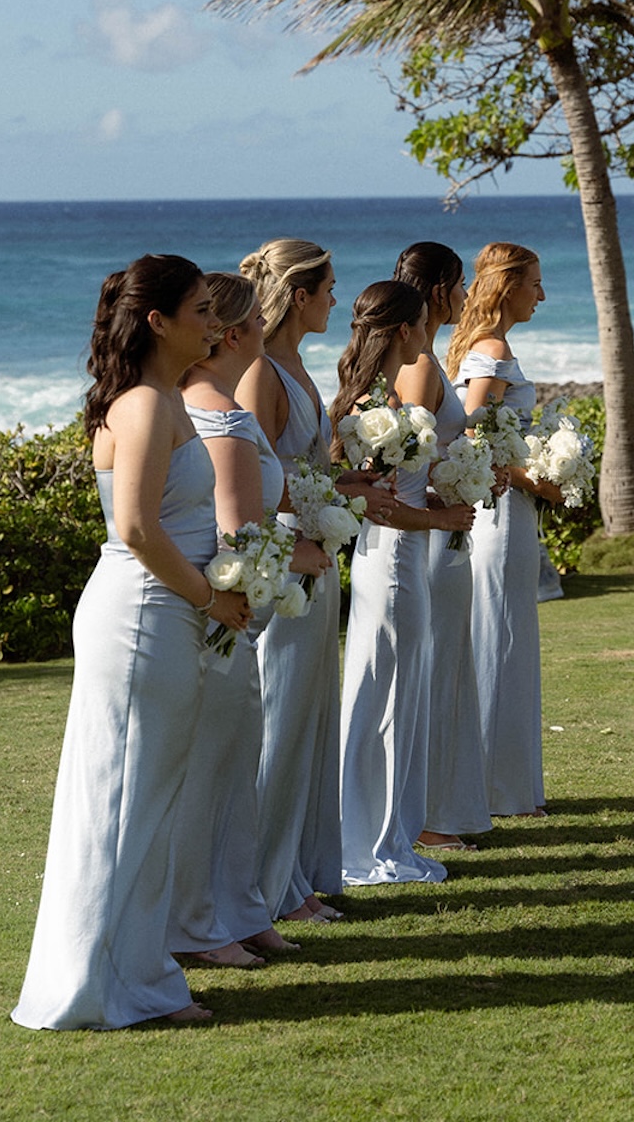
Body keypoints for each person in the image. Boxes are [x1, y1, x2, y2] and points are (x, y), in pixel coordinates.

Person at [12, 254, 250, 1030]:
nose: (217, 325)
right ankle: (107, 987)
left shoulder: (161, 400)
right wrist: (212, 596)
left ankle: (136, 975)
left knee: (144, 800)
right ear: (158, 322)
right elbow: (138, 529)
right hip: (145, 615)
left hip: (161, 610)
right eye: (204, 312)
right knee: (124, 802)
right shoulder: (145, 406)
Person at [168, 273, 328, 968]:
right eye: (257, 324)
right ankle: (208, 922)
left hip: (230, 611)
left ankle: (241, 909)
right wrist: (302, 558)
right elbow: (240, 535)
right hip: (225, 613)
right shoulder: (222, 420)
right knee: (220, 768)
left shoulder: (204, 408)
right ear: (234, 337)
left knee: (234, 767)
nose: (266, 332)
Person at [237, 239, 395, 923]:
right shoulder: (261, 373)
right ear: (299, 295)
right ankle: (265, 886)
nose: (337, 298)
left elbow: (298, 470)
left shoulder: (294, 365)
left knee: (308, 724)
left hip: (317, 555)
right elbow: (254, 482)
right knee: (281, 723)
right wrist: (315, 512)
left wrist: (342, 484)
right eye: (329, 287)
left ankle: (296, 877)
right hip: (289, 567)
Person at [335, 280, 473, 885]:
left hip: (401, 555)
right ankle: (373, 847)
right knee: (385, 701)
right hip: (392, 558)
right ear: (403, 332)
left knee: (400, 697)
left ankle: (388, 835)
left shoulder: (376, 401)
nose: (427, 333)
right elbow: (382, 504)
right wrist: (443, 517)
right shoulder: (385, 410)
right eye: (421, 324)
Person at [446, 242, 560, 819]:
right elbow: (468, 433)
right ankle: (496, 790)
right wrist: (534, 478)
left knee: (508, 637)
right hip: (501, 511)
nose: (542, 294)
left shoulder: (490, 344)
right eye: (534, 283)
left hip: (509, 507)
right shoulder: (490, 349)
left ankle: (503, 785)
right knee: (499, 636)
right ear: (507, 286)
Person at [394, 242, 492, 851]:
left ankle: (443, 806)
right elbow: (404, 462)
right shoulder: (422, 366)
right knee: (433, 670)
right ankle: (425, 814)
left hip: (447, 527)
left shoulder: (426, 356)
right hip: (430, 536)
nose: (466, 296)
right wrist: (461, 471)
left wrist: (480, 466)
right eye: (461, 285)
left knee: (450, 664)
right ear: (438, 292)